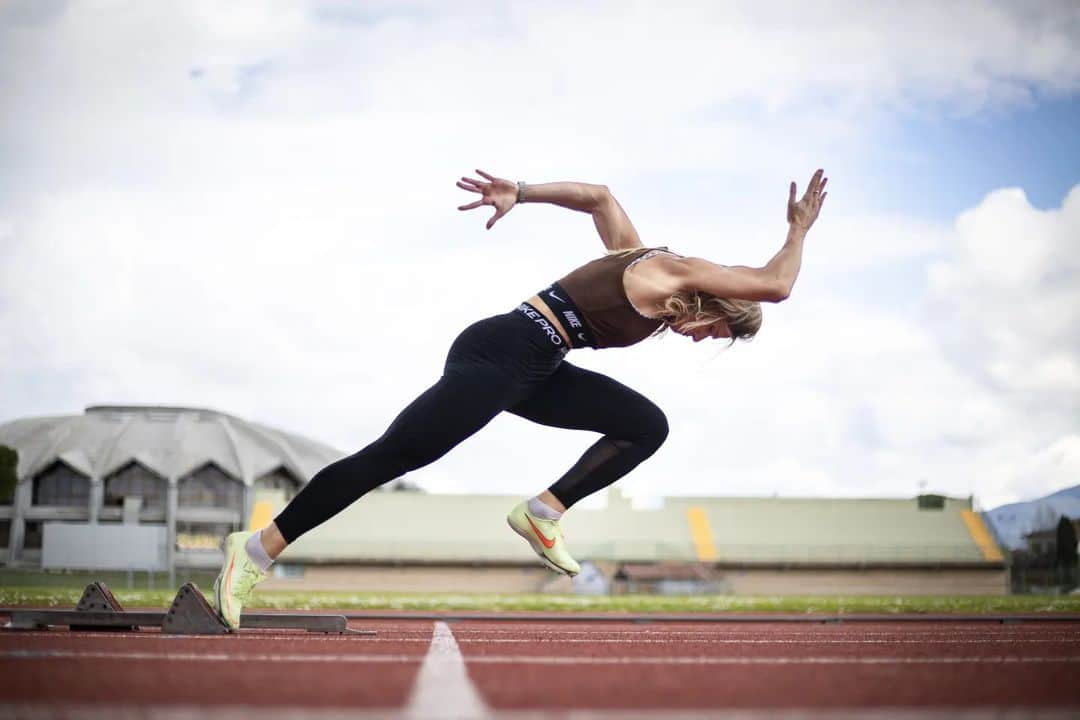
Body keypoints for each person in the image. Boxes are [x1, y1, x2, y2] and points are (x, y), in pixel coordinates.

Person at [211, 168, 828, 629]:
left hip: (538, 365)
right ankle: (258, 549)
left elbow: (600, 198)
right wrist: (798, 230)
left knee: (645, 424)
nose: (706, 339)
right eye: (719, 329)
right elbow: (775, 284)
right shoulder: (676, 269)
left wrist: (524, 194)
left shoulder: (641, 265)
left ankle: (544, 511)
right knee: (392, 458)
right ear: (721, 302)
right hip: (504, 350)